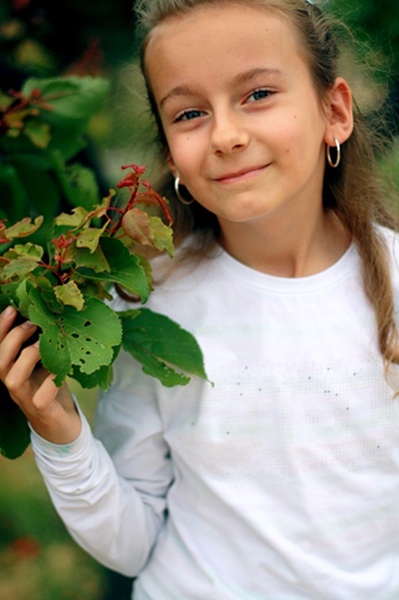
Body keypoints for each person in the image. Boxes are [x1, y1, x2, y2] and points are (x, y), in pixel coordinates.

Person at [1, 0, 399, 598]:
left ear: (334, 110)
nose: (227, 135)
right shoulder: (153, 305)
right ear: (169, 151)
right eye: (189, 113)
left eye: (258, 94)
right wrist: (61, 434)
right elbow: (134, 543)